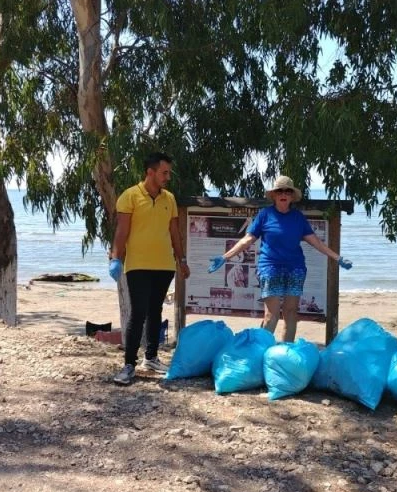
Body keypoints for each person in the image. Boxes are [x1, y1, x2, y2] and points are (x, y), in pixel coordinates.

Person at [208, 175, 352, 342]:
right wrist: (225, 257)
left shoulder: (298, 217)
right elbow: (248, 239)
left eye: (288, 191)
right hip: (270, 268)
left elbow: (317, 243)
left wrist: (338, 258)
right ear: (274, 195)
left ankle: (286, 353)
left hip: (295, 268)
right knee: (272, 314)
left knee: (291, 312)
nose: (284, 194)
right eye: (280, 191)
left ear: (292, 196)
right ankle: (260, 351)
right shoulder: (265, 215)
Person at [109, 152, 191, 386]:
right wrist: (116, 258)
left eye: (169, 173)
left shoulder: (169, 199)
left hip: (164, 265)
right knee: (138, 312)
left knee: (155, 311)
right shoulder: (130, 196)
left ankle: (152, 357)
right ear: (150, 172)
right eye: (164, 172)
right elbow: (122, 232)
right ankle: (128, 364)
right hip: (138, 265)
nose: (168, 177)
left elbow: (174, 232)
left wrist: (181, 259)